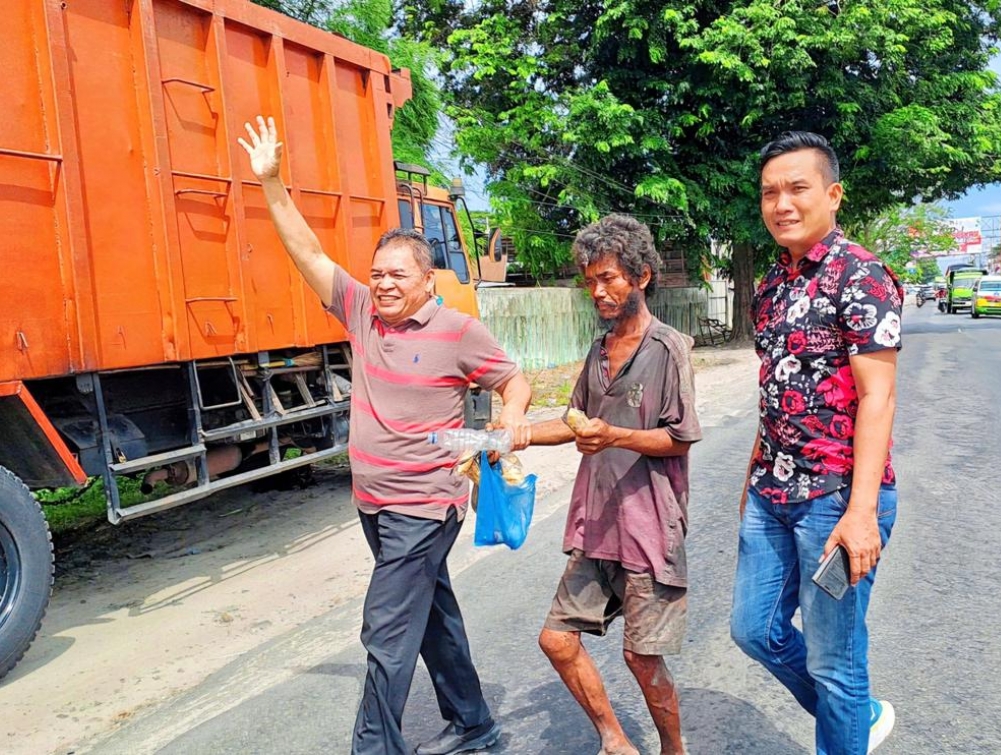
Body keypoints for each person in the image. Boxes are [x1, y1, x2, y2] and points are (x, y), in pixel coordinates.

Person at [239, 116, 532, 755]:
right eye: (378, 271)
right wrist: (271, 184)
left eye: (399, 273)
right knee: (430, 616)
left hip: (425, 505)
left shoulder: (457, 331)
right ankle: (476, 725)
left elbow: (515, 383)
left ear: (428, 280)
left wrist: (507, 427)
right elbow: (309, 254)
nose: (384, 282)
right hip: (374, 503)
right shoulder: (363, 314)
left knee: (386, 629)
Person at [729, 131, 902, 755]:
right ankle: (857, 714)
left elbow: (877, 398)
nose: (782, 203)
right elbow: (772, 390)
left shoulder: (862, 276)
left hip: (835, 500)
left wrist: (860, 514)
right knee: (753, 630)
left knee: (836, 662)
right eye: (770, 192)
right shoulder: (769, 287)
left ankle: (845, 724)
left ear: (832, 194)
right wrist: (750, 482)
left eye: (798, 188)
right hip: (772, 496)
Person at [519, 214, 701, 755]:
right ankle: (615, 740)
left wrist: (616, 435)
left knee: (641, 657)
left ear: (642, 276)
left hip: (648, 527)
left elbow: (681, 439)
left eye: (610, 278)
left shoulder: (668, 349)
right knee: (556, 638)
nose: (598, 291)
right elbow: (576, 419)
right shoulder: (598, 352)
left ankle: (674, 749)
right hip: (597, 525)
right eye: (590, 280)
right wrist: (515, 436)